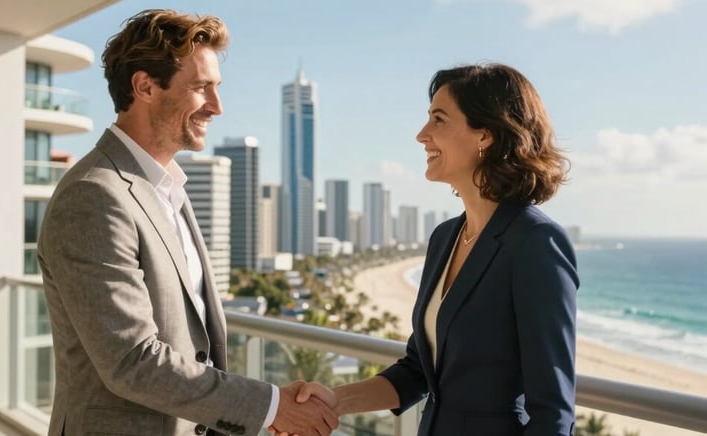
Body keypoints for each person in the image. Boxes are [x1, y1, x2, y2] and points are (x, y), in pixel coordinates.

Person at [37, 9, 337, 436]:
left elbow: (195, 346)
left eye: (217, 88)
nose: (217, 106)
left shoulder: (168, 189)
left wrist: (260, 404)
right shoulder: (94, 195)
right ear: (145, 86)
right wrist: (271, 407)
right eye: (200, 88)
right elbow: (131, 360)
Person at [283, 63, 580, 435]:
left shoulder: (535, 243)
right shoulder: (445, 238)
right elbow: (418, 372)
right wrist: (335, 399)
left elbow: (553, 413)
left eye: (438, 120)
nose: (422, 135)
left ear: (485, 134)